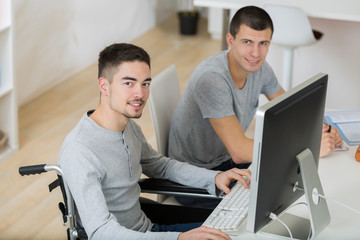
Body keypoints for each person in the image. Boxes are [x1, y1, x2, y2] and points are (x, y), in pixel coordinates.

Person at [58, 43, 251, 240]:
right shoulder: (80, 150)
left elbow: (161, 166)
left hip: (149, 229)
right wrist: (178, 238)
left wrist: (214, 178)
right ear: (104, 86)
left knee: (241, 229)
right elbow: (101, 232)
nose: (140, 94)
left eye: (145, 83)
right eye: (128, 83)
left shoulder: (128, 126)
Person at [168, 5, 343, 172]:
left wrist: (322, 130)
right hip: (198, 175)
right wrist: (310, 147)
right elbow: (239, 151)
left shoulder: (260, 68)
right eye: (247, 42)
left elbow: (289, 111)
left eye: (263, 43)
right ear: (231, 40)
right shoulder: (212, 79)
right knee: (286, 188)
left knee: (297, 178)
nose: (256, 53)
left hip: (226, 163)